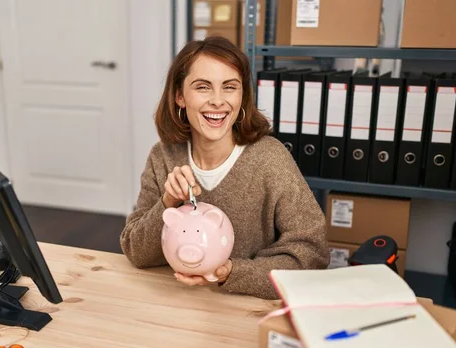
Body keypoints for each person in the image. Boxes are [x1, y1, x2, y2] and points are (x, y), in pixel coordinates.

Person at [120, 35, 328, 300]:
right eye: (203, 87)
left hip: (246, 311)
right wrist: (168, 202)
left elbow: (313, 256)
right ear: (180, 97)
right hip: (176, 301)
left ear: (242, 95)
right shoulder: (163, 156)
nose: (218, 101)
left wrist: (231, 272)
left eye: (229, 87)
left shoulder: (270, 159)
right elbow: (135, 251)